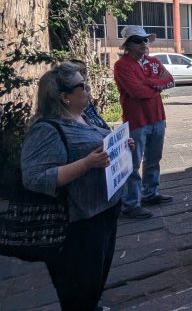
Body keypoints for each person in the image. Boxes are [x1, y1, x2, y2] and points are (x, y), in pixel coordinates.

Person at [22, 62, 132, 310]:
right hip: (77, 224)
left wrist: (122, 147)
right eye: (82, 85)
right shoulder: (47, 130)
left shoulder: (84, 117)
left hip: (104, 210)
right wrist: (86, 164)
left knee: (95, 279)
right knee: (78, 287)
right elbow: (35, 178)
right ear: (64, 97)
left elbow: (99, 148)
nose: (88, 87)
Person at [113, 25, 174, 219]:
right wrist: (156, 86)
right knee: (132, 163)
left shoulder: (153, 61)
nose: (143, 44)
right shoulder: (122, 65)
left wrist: (149, 83)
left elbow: (170, 81)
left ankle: (150, 193)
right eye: (138, 40)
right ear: (128, 45)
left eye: (145, 40)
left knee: (154, 159)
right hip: (137, 120)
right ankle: (130, 203)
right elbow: (136, 91)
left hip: (157, 117)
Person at [68, 59, 109, 130]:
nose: (82, 76)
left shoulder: (86, 93)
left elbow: (97, 118)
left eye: (84, 72)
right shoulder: (72, 98)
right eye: (78, 72)